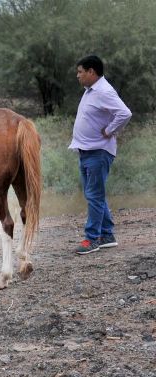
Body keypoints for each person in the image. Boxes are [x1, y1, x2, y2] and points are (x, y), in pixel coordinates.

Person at [69, 55, 132, 255]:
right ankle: (107, 235)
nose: (77, 76)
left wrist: (110, 130)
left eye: (80, 72)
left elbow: (125, 113)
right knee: (94, 194)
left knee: (94, 195)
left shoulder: (104, 91)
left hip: (98, 152)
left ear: (91, 72)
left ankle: (92, 238)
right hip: (86, 151)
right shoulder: (90, 91)